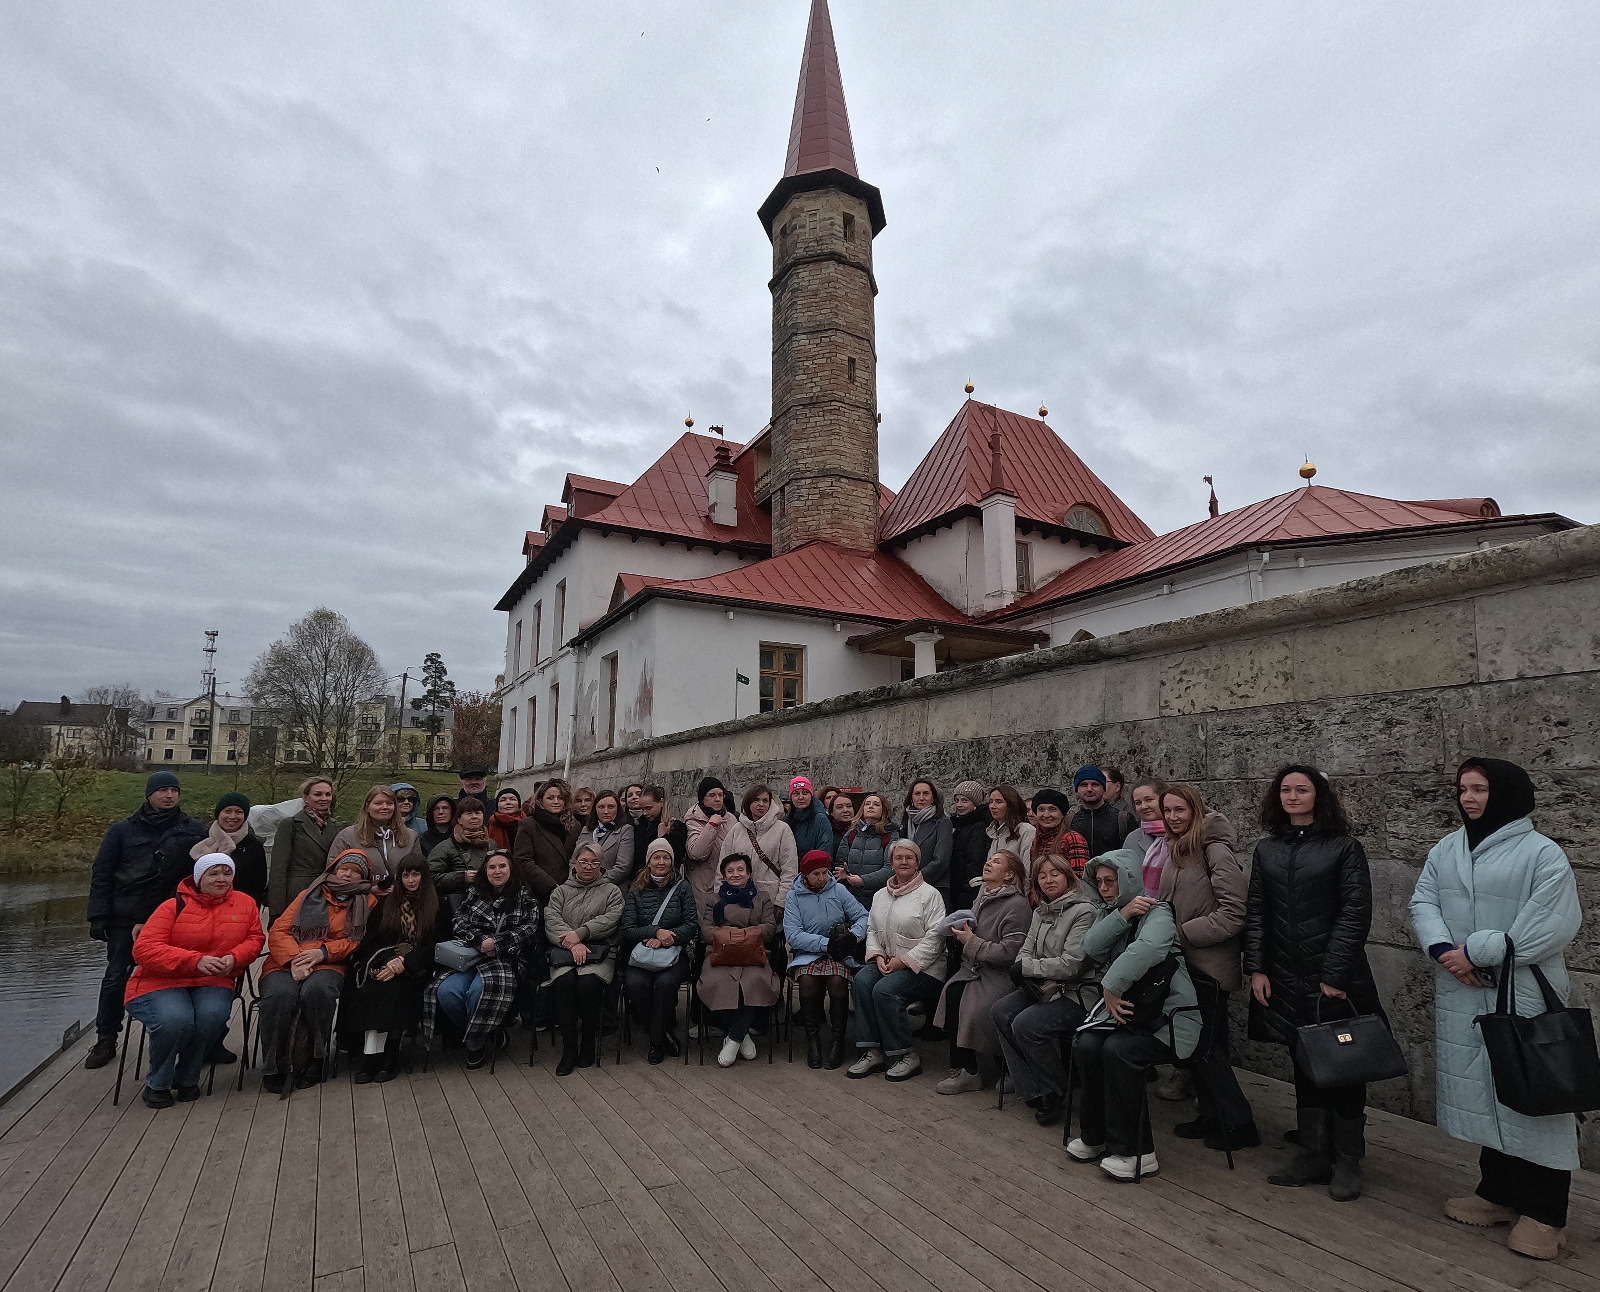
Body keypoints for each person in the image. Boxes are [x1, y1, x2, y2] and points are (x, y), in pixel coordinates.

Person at [1410, 758, 1582, 1260]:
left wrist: (1476, 952)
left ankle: (1546, 1215)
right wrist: (1444, 951)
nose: (1469, 797)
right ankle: (1499, 1193)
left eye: (1480, 788)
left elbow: (1552, 922)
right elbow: (1423, 902)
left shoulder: (1542, 853)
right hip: (1464, 989)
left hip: (1523, 989)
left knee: (1536, 1095)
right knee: (1490, 1090)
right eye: (1463, 788)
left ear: (1506, 792)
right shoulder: (1448, 848)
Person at [1247, 765, 1386, 1202]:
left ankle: (1347, 1159)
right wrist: (1257, 968)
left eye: (1302, 789)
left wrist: (1334, 975)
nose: (1292, 796)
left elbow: (1355, 912)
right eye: (1286, 790)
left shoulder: (1344, 848)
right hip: (1285, 975)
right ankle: (1312, 1153)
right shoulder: (1267, 849)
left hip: (1333, 978)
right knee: (1304, 1061)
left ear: (1318, 796)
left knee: (1343, 1066)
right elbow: (1257, 912)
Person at [1067, 850, 1200, 1181]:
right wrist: (1122, 913)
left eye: (1111, 881)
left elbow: (1149, 949)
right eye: (1099, 882)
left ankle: (1138, 1152)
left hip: (1168, 1018)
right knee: (1087, 1044)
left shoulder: (1158, 912)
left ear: (1128, 879)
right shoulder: (1114, 913)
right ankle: (1096, 1136)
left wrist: (1110, 986)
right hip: (1130, 1014)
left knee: (1119, 1051)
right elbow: (1091, 946)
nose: (1104, 888)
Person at [1156, 783, 1257, 1152]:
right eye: (1168, 810)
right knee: (1197, 1046)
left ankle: (1238, 1123)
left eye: (1180, 810)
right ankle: (1212, 1115)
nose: (1173, 817)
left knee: (1207, 1047)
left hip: (1208, 967)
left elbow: (1235, 911)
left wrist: (1185, 933)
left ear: (1196, 811)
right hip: (1185, 964)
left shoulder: (1214, 849)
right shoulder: (1178, 848)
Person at [85, 771, 208, 1068]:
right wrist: (98, 915)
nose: (169, 795)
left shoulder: (193, 830)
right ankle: (106, 1038)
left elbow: (204, 873)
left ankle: (190, 1036)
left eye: (174, 790)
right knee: (116, 976)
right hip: (126, 915)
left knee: (182, 971)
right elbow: (102, 874)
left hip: (176, 914)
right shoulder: (121, 831)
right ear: (149, 794)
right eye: (162, 790)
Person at [122, 854, 264, 1108]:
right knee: (175, 1020)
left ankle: (188, 1078)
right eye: (213, 873)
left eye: (227, 873)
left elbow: (255, 939)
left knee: (212, 1016)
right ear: (199, 878)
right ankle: (158, 1083)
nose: (221, 879)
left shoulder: (245, 903)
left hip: (213, 979)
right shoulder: (172, 906)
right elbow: (144, 949)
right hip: (161, 980)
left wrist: (235, 957)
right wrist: (194, 960)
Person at [992, 853, 1099, 1124]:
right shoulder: (1040, 911)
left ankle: (1054, 1089)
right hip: (1045, 986)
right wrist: (1025, 970)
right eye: (1042, 876)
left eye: (1055, 874)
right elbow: (1025, 951)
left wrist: (1027, 969)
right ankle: (1033, 1086)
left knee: (1026, 1024)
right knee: (1001, 1011)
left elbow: (1072, 964)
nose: (1048, 880)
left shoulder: (1084, 912)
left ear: (1068, 877)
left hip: (1076, 992)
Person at [258, 850, 377, 1092]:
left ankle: (315, 1059)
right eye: (344, 869)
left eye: (355, 872)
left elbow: (357, 940)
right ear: (333, 870)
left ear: (364, 877)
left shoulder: (368, 902)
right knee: (279, 996)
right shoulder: (307, 894)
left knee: (318, 991)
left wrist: (323, 952)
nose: (347, 874)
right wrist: (295, 960)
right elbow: (279, 930)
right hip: (286, 961)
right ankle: (275, 1064)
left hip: (329, 963)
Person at [428, 851, 541, 1070]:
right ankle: (488, 1031)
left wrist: (496, 943)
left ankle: (475, 1044)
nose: (497, 871)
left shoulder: (525, 895)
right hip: (470, 954)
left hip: (505, 959)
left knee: (479, 991)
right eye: (492, 867)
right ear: (485, 871)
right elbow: (459, 921)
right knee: (446, 992)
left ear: (511, 869)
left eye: (502, 866)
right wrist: (480, 941)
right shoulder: (475, 892)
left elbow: (529, 928)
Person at [848, 839, 948, 1082]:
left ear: (917, 862)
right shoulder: (880, 895)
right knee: (862, 981)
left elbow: (936, 940)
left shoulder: (930, 895)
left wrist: (902, 961)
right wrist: (877, 955)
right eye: (898, 858)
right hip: (887, 961)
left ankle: (905, 1054)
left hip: (925, 968)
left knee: (885, 990)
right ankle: (872, 1051)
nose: (904, 862)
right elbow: (872, 929)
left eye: (909, 858)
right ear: (891, 863)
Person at [343, 856, 450, 1082]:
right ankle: (371, 1055)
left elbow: (438, 944)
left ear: (424, 876)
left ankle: (390, 1052)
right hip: (386, 964)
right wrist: (389, 961)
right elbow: (371, 940)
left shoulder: (438, 905)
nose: (410, 880)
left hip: (420, 969)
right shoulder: (386, 904)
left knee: (396, 988)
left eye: (415, 874)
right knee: (375, 986)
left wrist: (405, 963)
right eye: (405, 875)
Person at [932, 850, 1030, 1094]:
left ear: (1009, 875)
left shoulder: (1017, 905)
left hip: (1000, 975)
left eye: (997, 862)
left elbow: (1010, 953)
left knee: (975, 1006)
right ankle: (966, 1070)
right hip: (974, 969)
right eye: (989, 859)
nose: (988, 863)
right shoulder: (983, 896)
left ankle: (1007, 1067)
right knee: (953, 993)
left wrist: (971, 942)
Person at [784, 849, 869, 1069]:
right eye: (816, 874)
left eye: (824, 872)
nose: (822, 878)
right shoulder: (794, 896)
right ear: (805, 874)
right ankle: (813, 1041)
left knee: (837, 980)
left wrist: (852, 936)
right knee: (807, 980)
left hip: (839, 952)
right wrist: (824, 944)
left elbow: (863, 916)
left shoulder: (838, 890)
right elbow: (793, 934)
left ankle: (837, 1041)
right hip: (808, 953)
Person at [544, 845, 624, 1074]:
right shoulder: (560, 892)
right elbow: (552, 920)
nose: (589, 866)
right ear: (575, 863)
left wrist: (582, 933)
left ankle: (588, 1039)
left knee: (588, 984)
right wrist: (573, 942)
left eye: (595, 862)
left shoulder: (612, 891)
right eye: (584, 861)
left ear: (601, 865)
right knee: (564, 983)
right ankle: (569, 1048)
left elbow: (611, 919)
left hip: (600, 952)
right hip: (565, 951)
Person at [620, 838, 699, 1064]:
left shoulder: (683, 887)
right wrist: (655, 932)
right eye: (656, 857)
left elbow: (691, 924)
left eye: (666, 857)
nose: (661, 862)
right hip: (642, 954)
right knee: (636, 984)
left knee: (665, 983)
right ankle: (663, 1034)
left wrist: (668, 938)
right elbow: (628, 928)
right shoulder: (636, 889)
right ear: (648, 861)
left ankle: (655, 1044)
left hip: (675, 951)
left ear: (672, 861)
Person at [700, 853, 781, 1067]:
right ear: (724, 875)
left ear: (749, 873)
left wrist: (739, 936)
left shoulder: (762, 898)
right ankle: (742, 1036)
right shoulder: (713, 900)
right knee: (718, 982)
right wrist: (739, 936)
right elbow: (706, 931)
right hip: (720, 956)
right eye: (730, 871)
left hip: (753, 955)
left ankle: (734, 1039)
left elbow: (770, 928)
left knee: (754, 981)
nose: (735, 874)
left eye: (740, 870)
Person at [267, 777, 343, 921]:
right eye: (318, 794)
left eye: (328, 794)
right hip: (297, 894)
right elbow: (278, 870)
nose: (324, 798)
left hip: (327, 894)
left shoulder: (337, 827)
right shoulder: (290, 825)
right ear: (306, 798)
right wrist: (276, 911)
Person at [722, 784, 799, 917]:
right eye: (756, 800)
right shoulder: (736, 830)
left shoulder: (782, 829)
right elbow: (723, 865)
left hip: (771, 899)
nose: (761, 804)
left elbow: (789, 869)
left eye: (765, 800)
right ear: (748, 803)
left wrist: (782, 901)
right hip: (737, 899)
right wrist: (721, 895)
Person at [326, 784, 418, 883]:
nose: (385, 807)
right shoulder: (347, 836)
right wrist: (368, 888)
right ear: (367, 807)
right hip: (361, 893)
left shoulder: (411, 837)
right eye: (378, 803)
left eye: (389, 803)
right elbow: (332, 875)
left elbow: (419, 872)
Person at [513, 779, 580, 903]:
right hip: (540, 891)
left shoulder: (574, 826)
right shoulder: (529, 825)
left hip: (570, 890)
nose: (556, 802)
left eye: (560, 798)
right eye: (550, 798)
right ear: (540, 801)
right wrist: (550, 885)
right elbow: (523, 859)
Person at [685, 776, 734, 925]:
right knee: (708, 928)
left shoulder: (731, 819)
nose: (717, 799)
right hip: (704, 886)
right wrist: (712, 825)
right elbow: (696, 853)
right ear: (703, 798)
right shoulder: (693, 820)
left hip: (729, 882)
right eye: (712, 795)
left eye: (720, 795)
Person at [833, 792, 898, 897]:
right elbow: (840, 862)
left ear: (884, 810)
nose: (871, 806)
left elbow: (891, 868)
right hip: (851, 894)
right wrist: (844, 874)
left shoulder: (890, 835)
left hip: (880, 895)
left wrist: (863, 880)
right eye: (867, 804)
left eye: (876, 804)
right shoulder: (852, 833)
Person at [428, 797, 492, 900]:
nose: (474, 817)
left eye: (478, 813)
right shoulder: (445, 847)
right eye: (469, 813)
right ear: (459, 819)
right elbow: (430, 878)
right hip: (459, 902)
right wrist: (462, 877)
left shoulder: (492, 844)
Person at [1067, 766, 1137, 860]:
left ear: (1103, 789)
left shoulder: (1123, 820)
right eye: (1084, 785)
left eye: (1095, 784)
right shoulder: (1069, 822)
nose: (1089, 789)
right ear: (1077, 790)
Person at [900, 778, 953, 898]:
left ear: (933, 797)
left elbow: (941, 859)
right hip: (907, 885)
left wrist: (916, 878)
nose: (921, 798)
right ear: (911, 797)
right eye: (917, 794)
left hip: (933, 885)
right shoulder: (907, 822)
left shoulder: (942, 822)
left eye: (926, 793)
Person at [575, 789, 636, 885]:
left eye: (611, 807)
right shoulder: (586, 830)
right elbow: (574, 860)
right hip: (581, 886)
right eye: (601, 807)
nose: (606, 811)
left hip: (610, 888)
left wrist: (596, 883)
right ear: (595, 809)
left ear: (618, 809)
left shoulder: (625, 830)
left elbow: (623, 867)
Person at [1027, 787, 1086, 880]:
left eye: (1053, 809)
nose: (1046, 815)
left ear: (1062, 814)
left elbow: (1079, 877)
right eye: (1041, 809)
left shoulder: (1073, 839)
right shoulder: (1036, 842)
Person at [630, 785, 688, 877]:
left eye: (648, 808)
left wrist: (663, 838)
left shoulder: (676, 827)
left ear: (661, 802)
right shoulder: (639, 826)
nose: (644, 813)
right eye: (642, 809)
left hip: (666, 879)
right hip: (641, 879)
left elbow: (676, 859)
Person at [947, 780, 991, 901]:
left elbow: (974, 861)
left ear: (975, 803)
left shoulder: (978, 827)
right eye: (957, 800)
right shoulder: (957, 824)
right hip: (956, 886)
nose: (959, 805)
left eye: (964, 800)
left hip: (966, 889)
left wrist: (967, 892)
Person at [986, 786, 1036, 875]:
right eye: (991, 802)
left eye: (999, 802)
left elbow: (1027, 870)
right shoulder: (995, 832)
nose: (992, 806)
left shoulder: (1026, 830)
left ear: (1011, 805)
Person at [785, 776, 834, 859]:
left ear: (811, 795)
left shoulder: (820, 819)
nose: (801, 797)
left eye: (805, 793)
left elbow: (825, 851)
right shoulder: (786, 820)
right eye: (796, 793)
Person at [417, 795, 456, 862]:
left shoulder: (460, 838)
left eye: (445, 808)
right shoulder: (423, 840)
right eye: (436, 809)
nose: (441, 812)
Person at [487, 788, 523, 854]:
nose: (508, 802)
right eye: (503, 800)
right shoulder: (490, 824)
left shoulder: (528, 824)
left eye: (512, 799)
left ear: (519, 804)